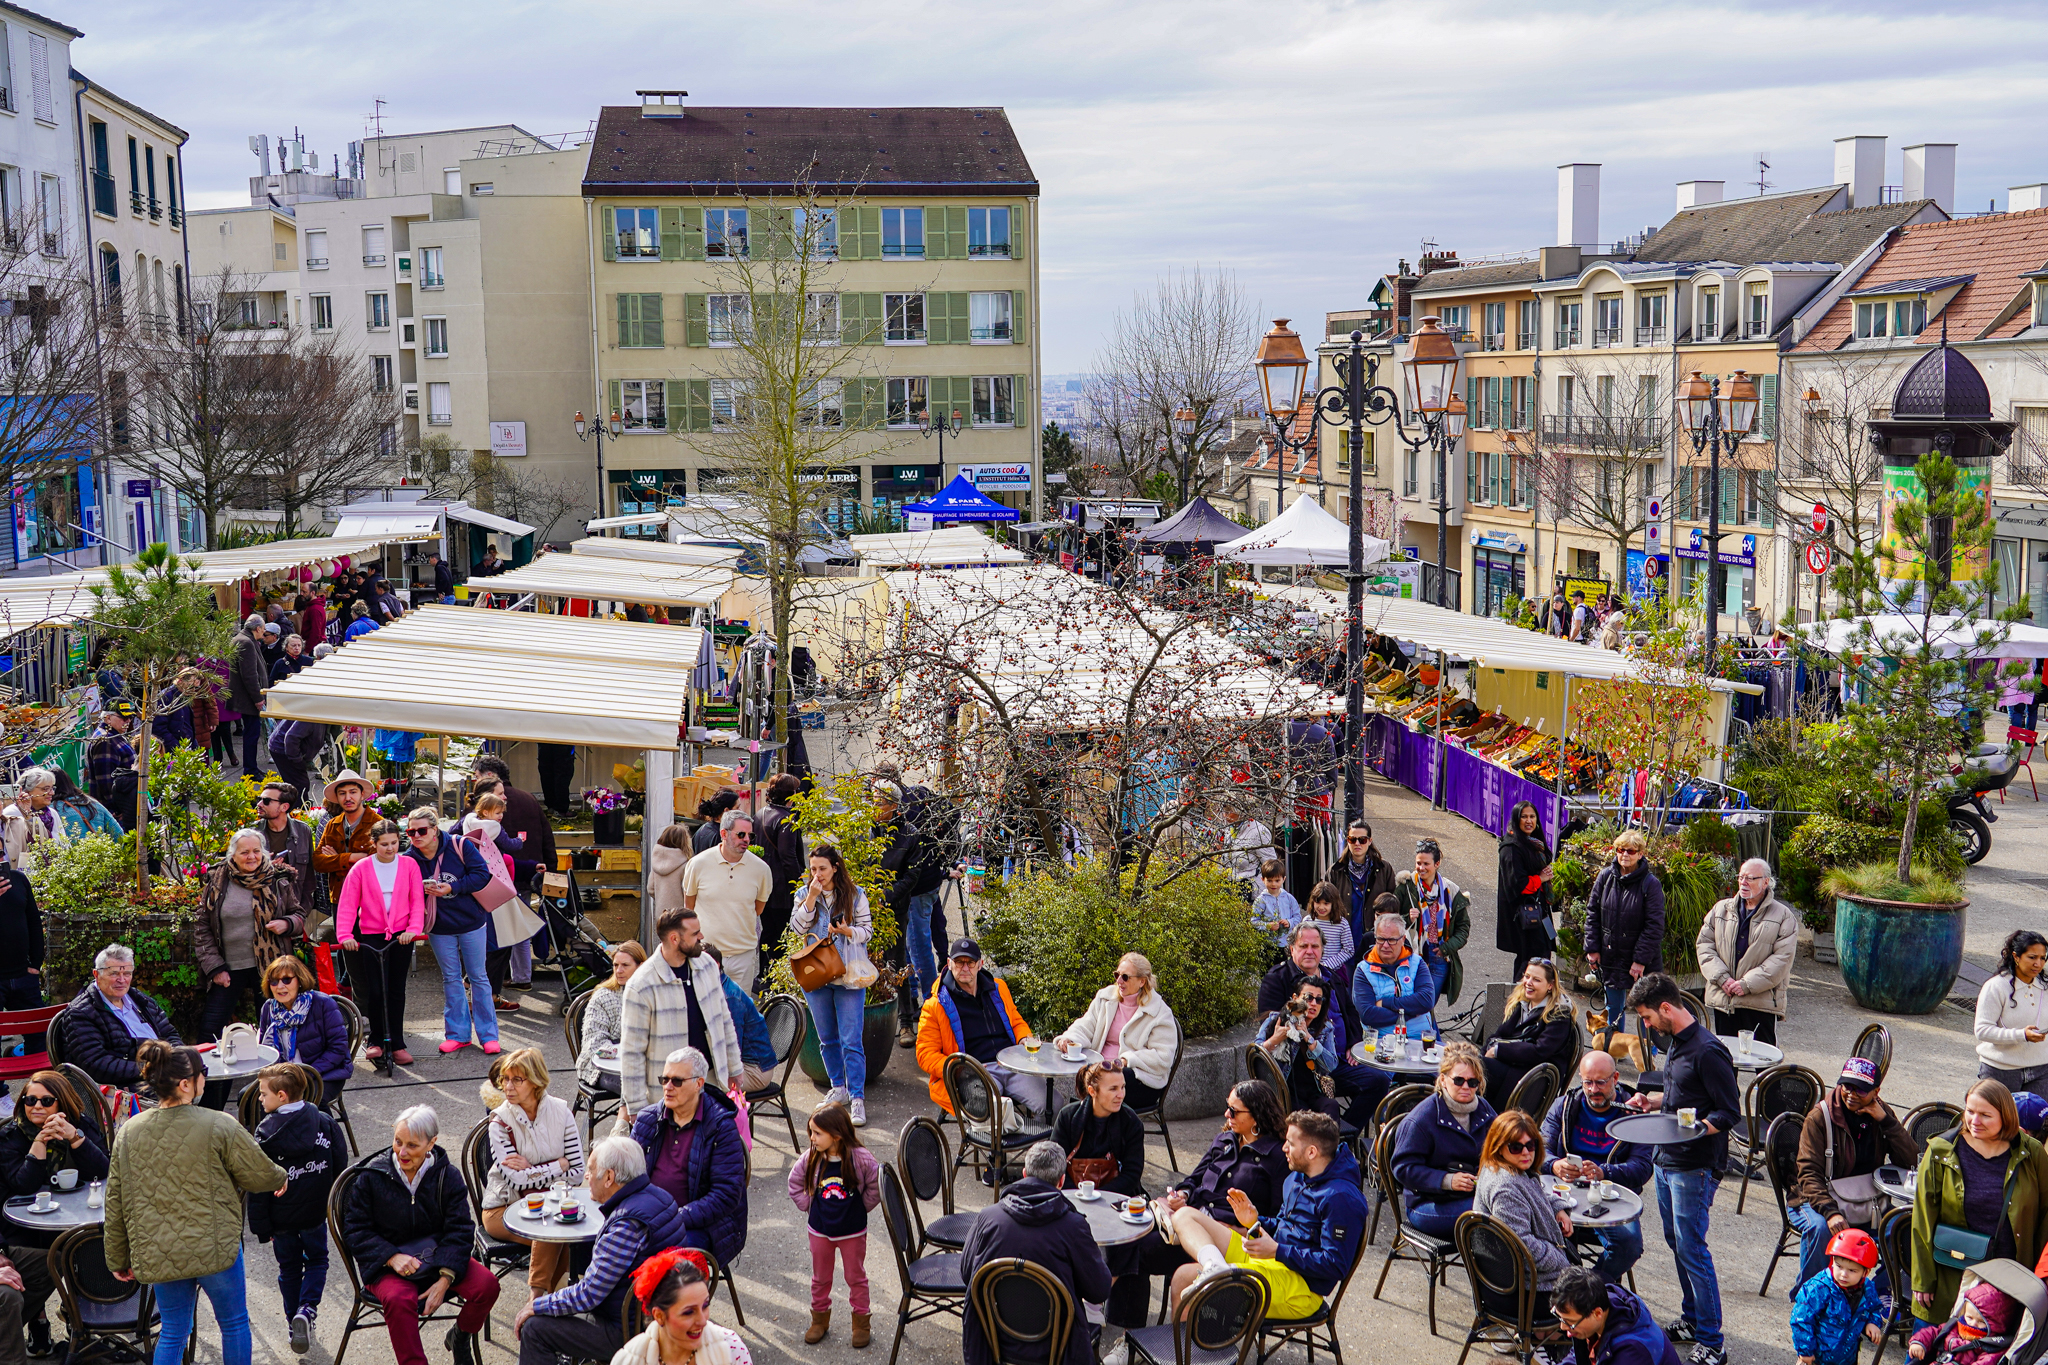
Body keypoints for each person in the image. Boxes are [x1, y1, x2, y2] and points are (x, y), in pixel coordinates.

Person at [104, 1040, 288, 1365]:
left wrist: (118, 1257)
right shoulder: (218, 1124)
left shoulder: (129, 1132)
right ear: (187, 1083)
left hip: (159, 1251)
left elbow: (116, 1200)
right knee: (233, 1323)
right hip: (215, 1248)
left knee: (174, 1329)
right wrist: (280, 1176)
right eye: (203, 1074)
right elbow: (261, 1176)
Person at [1102, 1080, 1289, 1330]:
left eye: (1234, 1111)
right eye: (1227, 1107)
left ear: (1257, 1115)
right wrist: (1183, 1195)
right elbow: (1193, 1178)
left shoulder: (1277, 1158)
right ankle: (1125, 1333)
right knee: (1129, 1240)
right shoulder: (1225, 1139)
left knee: (1137, 1252)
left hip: (1224, 1241)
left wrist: (1242, 1230)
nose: (1226, 1115)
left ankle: (1125, 1329)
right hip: (1186, 1225)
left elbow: (1278, 1219)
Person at [1623, 972, 1741, 1365]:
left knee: (1693, 1249)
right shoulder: (1675, 1042)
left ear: (1667, 1008)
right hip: (1665, 1160)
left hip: (1694, 1166)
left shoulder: (1709, 1052)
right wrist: (1653, 1102)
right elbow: (1682, 1098)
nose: (1646, 1024)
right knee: (1677, 1243)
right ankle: (1692, 1320)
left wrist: (1694, 1131)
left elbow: (1729, 1112)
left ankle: (1712, 1341)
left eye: (1647, 1016)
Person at [1162, 1109, 1367, 1323]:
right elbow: (1283, 1224)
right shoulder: (1298, 1176)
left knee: (1188, 1280)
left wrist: (1278, 1251)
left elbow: (1335, 1265)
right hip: (1271, 1260)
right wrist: (1254, 1221)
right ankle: (1216, 1268)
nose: (1283, 1148)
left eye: (1290, 1143)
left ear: (1312, 1152)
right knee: (1185, 1215)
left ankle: (1195, 1353)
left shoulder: (1342, 1199)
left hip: (1301, 1289)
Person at [341, 1105, 499, 1365]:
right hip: (387, 1266)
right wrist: (391, 1256)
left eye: (412, 1146)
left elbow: (460, 1228)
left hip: (438, 1256)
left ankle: (460, 1336)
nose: (402, 1152)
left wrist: (446, 1277)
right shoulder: (371, 1176)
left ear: (432, 1143)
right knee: (399, 1300)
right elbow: (355, 1229)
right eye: (398, 1142)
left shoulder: (447, 1176)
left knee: (487, 1286)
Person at [512, 1133, 684, 1365]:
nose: (586, 1176)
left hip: (628, 1331)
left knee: (534, 1329)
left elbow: (589, 1295)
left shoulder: (625, 1225)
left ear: (609, 1177)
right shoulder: (662, 1197)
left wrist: (537, 1305)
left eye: (591, 1170)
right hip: (660, 1315)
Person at [960, 1139, 1112, 1365]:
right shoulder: (1074, 1227)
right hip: (1057, 1348)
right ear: (1061, 1181)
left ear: (1023, 1174)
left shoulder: (987, 1217)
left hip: (993, 1339)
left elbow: (966, 1274)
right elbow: (1099, 1290)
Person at [1911, 1079, 2048, 1324]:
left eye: (1985, 1115)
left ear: (2006, 1117)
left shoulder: (2033, 1152)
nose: (1974, 1121)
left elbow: (2045, 1214)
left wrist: (2036, 1279)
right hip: (1950, 1275)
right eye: (1970, 1111)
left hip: (2009, 1281)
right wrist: (1922, 1280)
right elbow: (1922, 1218)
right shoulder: (1941, 1150)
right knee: (1931, 1349)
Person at [1788, 1056, 1917, 1293]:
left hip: (1867, 1202)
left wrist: (1886, 1121)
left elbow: (1909, 1161)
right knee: (1821, 1229)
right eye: (1847, 1086)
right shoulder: (1820, 1117)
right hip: (1814, 1200)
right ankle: (1809, 1297)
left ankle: (1875, 1295)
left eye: (1861, 1090)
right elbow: (1808, 1174)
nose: (1851, 1093)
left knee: (1906, 1227)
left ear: (1876, 1091)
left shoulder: (1881, 1113)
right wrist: (1830, 1212)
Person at [248, 1062, 346, 1354]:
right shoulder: (326, 1123)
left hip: (282, 1218)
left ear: (281, 1095)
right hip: (316, 1213)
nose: (260, 1099)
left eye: (263, 1094)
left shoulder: (265, 1135)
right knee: (317, 1261)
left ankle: (294, 1322)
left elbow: (258, 1183)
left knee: (289, 1269)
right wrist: (333, 1203)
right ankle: (307, 1310)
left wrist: (262, 1228)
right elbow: (341, 1166)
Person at [627, 1046, 749, 1268]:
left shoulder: (721, 1127)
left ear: (698, 1084)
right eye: (664, 1080)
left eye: (677, 1081)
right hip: (648, 1218)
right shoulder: (647, 1120)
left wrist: (672, 1217)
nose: (668, 1087)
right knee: (603, 1250)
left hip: (700, 1226)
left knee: (665, 1267)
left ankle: (659, 1302)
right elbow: (626, 1175)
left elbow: (726, 1195)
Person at [618, 906, 744, 1119]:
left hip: (712, 1081)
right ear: (675, 938)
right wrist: (637, 1108)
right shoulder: (641, 985)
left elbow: (724, 1020)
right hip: (669, 1093)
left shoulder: (707, 966)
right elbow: (632, 1052)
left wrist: (735, 1068)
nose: (701, 937)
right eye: (695, 933)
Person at [480, 1048, 586, 1299]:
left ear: (536, 1081)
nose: (508, 1087)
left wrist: (532, 1169)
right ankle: (541, 1299)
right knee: (554, 1232)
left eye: (517, 1079)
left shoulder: (561, 1112)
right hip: (504, 1208)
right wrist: (557, 1165)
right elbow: (514, 1179)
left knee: (556, 1227)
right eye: (505, 1079)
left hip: (552, 1206)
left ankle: (544, 1305)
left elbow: (578, 1172)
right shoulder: (499, 1121)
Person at [1541, 1052, 1650, 1283]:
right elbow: (1538, 1150)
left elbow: (1642, 1168)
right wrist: (1555, 1164)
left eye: (1601, 1082)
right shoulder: (1565, 1106)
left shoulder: (1633, 1113)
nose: (1593, 1089)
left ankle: (1587, 1288)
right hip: (1565, 1194)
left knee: (1629, 1244)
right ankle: (1565, 1290)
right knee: (1538, 1232)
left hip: (1610, 1197)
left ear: (1616, 1078)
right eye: (1587, 1082)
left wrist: (1604, 1172)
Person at [194, 828, 305, 1044]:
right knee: (210, 1030)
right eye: (244, 852)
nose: (251, 857)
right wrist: (215, 967)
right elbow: (202, 926)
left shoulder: (277, 880)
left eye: (256, 851)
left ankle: (277, 1074)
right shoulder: (218, 881)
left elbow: (299, 915)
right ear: (232, 855)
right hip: (228, 967)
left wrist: (287, 923)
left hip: (270, 968)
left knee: (276, 1028)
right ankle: (211, 1077)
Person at [405, 805, 499, 1055]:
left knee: (478, 977)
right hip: (439, 925)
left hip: (472, 921)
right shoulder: (409, 857)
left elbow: (482, 875)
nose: (415, 836)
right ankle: (458, 1034)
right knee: (451, 979)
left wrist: (452, 887)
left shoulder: (460, 845)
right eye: (410, 832)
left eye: (421, 830)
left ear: (435, 830)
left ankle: (488, 1035)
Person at [789, 1103, 881, 1348]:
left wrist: (861, 1207)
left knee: (855, 1276)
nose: (812, 1138)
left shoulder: (860, 1158)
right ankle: (819, 1320)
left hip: (853, 1231)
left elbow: (876, 1184)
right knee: (820, 1278)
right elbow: (794, 1182)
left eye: (817, 1133)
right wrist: (809, 1206)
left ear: (837, 1135)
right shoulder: (811, 1157)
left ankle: (861, 1323)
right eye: (811, 1132)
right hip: (819, 1230)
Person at [794, 846, 874, 1124]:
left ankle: (857, 1098)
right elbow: (797, 928)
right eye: (813, 869)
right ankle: (837, 1087)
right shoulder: (805, 895)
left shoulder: (855, 895)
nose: (817, 875)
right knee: (827, 1038)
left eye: (823, 869)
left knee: (851, 1039)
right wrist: (811, 900)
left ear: (836, 867)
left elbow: (867, 931)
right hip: (816, 975)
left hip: (849, 975)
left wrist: (847, 931)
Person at [336, 817, 425, 1065]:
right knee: (374, 990)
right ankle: (374, 1040)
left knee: (396, 990)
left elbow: (417, 901)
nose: (390, 849)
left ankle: (397, 1043)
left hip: (402, 936)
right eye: (384, 844)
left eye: (394, 843)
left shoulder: (409, 866)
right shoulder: (361, 869)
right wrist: (346, 935)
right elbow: (347, 905)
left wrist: (413, 929)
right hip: (371, 935)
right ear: (373, 844)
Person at [916, 939, 1040, 1117]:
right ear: (949, 964)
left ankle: (1045, 1145)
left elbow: (1016, 1022)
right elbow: (925, 1054)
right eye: (959, 962)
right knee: (992, 1111)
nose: (965, 968)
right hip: (974, 1073)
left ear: (980, 964)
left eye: (971, 962)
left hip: (1011, 1065)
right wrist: (959, 1067)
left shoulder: (999, 989)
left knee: (1053, 1103)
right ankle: (1002, 1142)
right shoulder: (935, 1005)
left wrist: (1024, 1039)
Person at [1391, 1042, 1497, 1237]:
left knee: (1509, 1209)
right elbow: (1403, 1168)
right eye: (1459, 1080)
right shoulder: (1422, 1119)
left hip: (1474, 1195)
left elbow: (1503, 1145)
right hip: (1428, 1204)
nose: (1466, 1087)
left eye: (1473, 1082)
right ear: (1443, 1079)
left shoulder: (1484, 1109)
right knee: (1494, 1216)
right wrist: (1446, 1180)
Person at [1054, 953, 1177, 1114]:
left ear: (1142, 981)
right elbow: (1087, 1024)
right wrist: (1070, 1038)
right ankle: (1089, 1128)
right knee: (1094, 1079)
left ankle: (1083, 1127)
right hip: (1101, 1071)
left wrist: (1127, 1060)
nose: (1119, 981)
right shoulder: (1106, 997)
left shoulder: (1159, 1012)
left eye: (1125, 977)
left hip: (1141, 1080)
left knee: (1102, 1085)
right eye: (1117, 975)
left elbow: (1163, 1057)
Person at [1473, 1109, 1575, 1301]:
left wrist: (1557, 1208)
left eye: (1531, 1144)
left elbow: (1534, 1194)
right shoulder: (1505, 1189)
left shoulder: (1511, 1169)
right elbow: (1521, 1244)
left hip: (1530, 1277)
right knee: (1600, 1303)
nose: (1526, 1152)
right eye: (1516, 1147)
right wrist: (1561, 1260)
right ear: (1498, 1147)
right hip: (1528, 1289)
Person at [1696, 858, 1797, 1045]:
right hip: (1725, 999)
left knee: (1764, 1062)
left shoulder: (1783, 916)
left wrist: (1746, 984)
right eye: (1740, 877)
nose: (1743, 882)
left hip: (1760, 1002)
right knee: (1725, 1060)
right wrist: (1722, 978)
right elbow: (1704, 946)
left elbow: (1782, 959)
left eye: (1750, 878)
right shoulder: (1721, 909)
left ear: (1766, 882)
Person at [874, 781, 946, 1042]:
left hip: (895, 909)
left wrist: (886, 897)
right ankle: (874, 1017)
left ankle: (907, 1022)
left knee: (899, 961)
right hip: (866, 909)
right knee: (867, 962)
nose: (874, 807)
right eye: (872, 800)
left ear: (894, 806)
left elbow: (911, 876)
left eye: (879, 802)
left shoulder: (909, 834)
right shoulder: (866, 832)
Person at [58, 944, 182, 1093]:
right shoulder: (81, 1012)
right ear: (96, 975)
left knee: (209, 1080)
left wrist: (177, 1058)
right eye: (114, 974)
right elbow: (95, 1063)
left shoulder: (140, 1000)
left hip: (161, 1070)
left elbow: (170, 1034)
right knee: (182, 1090)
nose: (122, 980)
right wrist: (149, 1069)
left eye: (127, 974)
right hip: (122, 1085)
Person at [1585, 831, 1665, 1044]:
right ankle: (1613, 1051)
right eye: (1621, 850)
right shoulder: (1605, 877)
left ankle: (1649, 1054)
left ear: (1640, 854)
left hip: (1642, 959)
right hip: (1612, 955)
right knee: (1613, 1008)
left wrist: (1640, 961)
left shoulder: (1651, 884)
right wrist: (1592, 948)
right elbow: (1593, 913)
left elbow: (1654, 926)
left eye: (1630, 851)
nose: (1625, 855)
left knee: (1647, 1009)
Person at [684, 809, 774, 994]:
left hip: (743, 955)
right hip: (706, 953)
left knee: (738, 1015)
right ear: (723, 834)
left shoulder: (761, 869)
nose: (747, 839)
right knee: (703, 1012)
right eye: (741, 834)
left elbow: (758, 909)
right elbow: (689, 906)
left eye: (750, 835)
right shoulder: (698, 864)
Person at [614, 1246, 753, 1365]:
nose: (703, 1321)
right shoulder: (629, 1361)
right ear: (659, 1316)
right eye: (688, 1312)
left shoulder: (731, 1349)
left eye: (705, 1305)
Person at [461, 788, 528, 1011]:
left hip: (475, 888)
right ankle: (487, 996)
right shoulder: (494, 828)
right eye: (498, 812)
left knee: (484, 941)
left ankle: (476, 987)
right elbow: (511, 845)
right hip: (494, 888)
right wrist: (520, 840)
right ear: (487, 811)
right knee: (499, 942)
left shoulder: (467, 823)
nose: (500, 817)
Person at [258, 956, 353, 1109]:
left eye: (287, 980)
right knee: (249, 1098)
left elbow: (338, 1048)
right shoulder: (268, 1008)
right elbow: (265, 1051)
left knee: (310, 1099)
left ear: (300, 980)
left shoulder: (323, 1003)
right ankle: (268, 1133)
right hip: (283, 1076)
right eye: (274, 981)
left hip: (322, 1073)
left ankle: (321, 1133)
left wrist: (305, 1074)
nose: (280, 986)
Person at [1482, 959, 1578, 1104]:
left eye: (1536, 980)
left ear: (1550, 985)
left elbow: (1539, 1051)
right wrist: (1487, 1049)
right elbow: (1498, 1034)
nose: (1528, 982)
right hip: (1512, 1066)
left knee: (1472, 1069)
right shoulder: (1521, 1003)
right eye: (1527, 976)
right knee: (1462, 1065)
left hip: (1531, 1080)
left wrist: (1498, 1051)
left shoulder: (1559, 1015)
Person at [1255, 974, 1348, 1122]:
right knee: (1301, 1117)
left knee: (1331, 1106)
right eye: (1308, 997)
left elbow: (1331, 1066)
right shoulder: (1275, 1020)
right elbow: (1255, 1055)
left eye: (1319, 1000)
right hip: (1283, 1091)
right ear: (1295, 997)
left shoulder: (1325, 1028)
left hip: (1313, 1091)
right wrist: (1275, 1039)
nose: (1313, 1004)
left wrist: (1309, 1038)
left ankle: (1327, 1145)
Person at [1790, 1227, 1887, 1365]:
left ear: (1865, 1272)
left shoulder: (1867, 1288)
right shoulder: (1818, 1288)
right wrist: (1805, 1351)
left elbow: (1874, 1308)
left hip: (1847, 1357)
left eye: (1852, 1270)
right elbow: (1801, 1319)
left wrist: (1873, 1322)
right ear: (1832, 1261)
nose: (1843, 1274)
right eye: (1839, 1266)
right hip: (1817, 1358)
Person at [1051, 1062, 1147, 1198]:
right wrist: (1078, 1196)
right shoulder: (1068, 1117)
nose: (1121, 1095)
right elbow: (1055, 1166)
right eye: (1113, 1089)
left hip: (1117, 1197)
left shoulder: (1131, 1122)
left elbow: (1132, 1174)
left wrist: (1098, 1196)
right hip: (1073, 1196)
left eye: (1123, 1087)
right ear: (1092, 1091)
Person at [1553, 1266, 1683, 1365]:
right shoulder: (1597, 1307)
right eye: (1560, 1318)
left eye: (1569, 1322)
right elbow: (1577, 1357)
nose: (1563, 1328)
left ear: (1597, 1313)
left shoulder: (1632, 1352)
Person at [1974, 929, 2048, 1099]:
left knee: (2038, 1125)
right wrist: (2022, 1035)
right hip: (2000, 1069)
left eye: (2042, 958)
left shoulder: (2045, 987)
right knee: (2000, 1123)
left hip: (2042, 1069)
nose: (2038, 963)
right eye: (2032, 957)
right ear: (2016, 956)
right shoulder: (1996, 986)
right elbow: (1982, 1030)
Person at [1396, 838, 1470, 1005]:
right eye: (1418, 863)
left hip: (1439, 957)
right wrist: (1408, 918)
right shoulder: (1406, 887)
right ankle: (1428, 1032)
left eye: (1426, 864)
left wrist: (1446, 949)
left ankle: (1427, 1031)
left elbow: (1463, 928)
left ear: (1437, 864)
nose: (1421, 868)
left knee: (1426, 1005)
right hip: (1412, 955)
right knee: (1415, 1005)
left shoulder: (1451, 890)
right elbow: (1389, 922)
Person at [1354, 910, 1439, 1046]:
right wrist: (1411, 1013)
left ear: (1403, 939)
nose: (1385, 945)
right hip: (1382, 1042)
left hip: (1419, 1039)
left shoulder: (1417, 963)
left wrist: (1386, 1003)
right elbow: (1368, 1014)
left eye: (1392, 940)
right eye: (1381, 939)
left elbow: (1426, 1000)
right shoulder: (1363, 970)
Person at [577, 940, 647, 1102]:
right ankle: (631, 1126)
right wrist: (622, 1049)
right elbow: (594, 1045)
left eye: (625, 965)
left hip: (641, 1066)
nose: (619, 971)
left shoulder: (651, 994)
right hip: (599, 1068)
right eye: (616, 965)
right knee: (638, 1089)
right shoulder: (604, 997)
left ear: (641, 966)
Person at [1498, 800, 1555, 978]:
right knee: (1529, 961)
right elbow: (1517, 884)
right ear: (1516, 819)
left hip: (1541, 911)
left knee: (1543, 956)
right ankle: (1521, 1001)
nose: (1528, 821)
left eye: (1532, 816)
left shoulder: (1534, 843)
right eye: (1524, 817)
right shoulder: (1511, 848)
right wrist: (1541, 878)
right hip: (1525, 916)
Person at [754, 773, 806, 955]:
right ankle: (776, 978)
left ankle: (764, 974)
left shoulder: (760, 814)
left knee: (768, 931)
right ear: (791, 796)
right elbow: (788, 857)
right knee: (783, 934)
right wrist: (800, 883)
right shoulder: (786, 820)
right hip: (783, 889)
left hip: (763, 884)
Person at [1911, 1282, 2024, 1365]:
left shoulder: (1993, 1347)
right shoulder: (1955, 1327)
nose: (1973, 1323)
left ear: (1995, 1324)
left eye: (1981, 1322)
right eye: (1969, 1317)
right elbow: (1933, 1332)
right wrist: (1919, 1342)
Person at [312, 770, 379, 904]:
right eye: (342, 793)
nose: (348, 798)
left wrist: (335, 862)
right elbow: (318, 862)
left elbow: (377, 866)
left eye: (353, 792)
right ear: (336, 798)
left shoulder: (378, 824)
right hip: (339, 898)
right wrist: (351, 858)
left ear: (362, 795)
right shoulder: (332, 824)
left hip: (368, 900)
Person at [253, 782, 320, 914]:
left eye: (266, 801)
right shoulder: (251, 832)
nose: (259, 804)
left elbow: (309, 876)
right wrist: (264, 868)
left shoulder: (302, 831)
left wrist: (302, 911)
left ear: (284, 807)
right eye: (259, 799)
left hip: (294, 909)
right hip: (260, 909)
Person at [1334, 821, 1396, 949]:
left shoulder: (1384, 869)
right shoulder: (1336, 871)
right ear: (1347, 841)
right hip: (1344, 944)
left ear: (1369, 841)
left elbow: (1394, 904)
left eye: (1362, 840)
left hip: (1377, 943)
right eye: (1353, 839)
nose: (1357, 843)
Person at [0, 861, 41, 1044]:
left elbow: (33, 921)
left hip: (23, 974)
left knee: (39, 1033)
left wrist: (36, 963)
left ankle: (38, 1073)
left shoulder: (18, 879)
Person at [85, 699, 139, 829]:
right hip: (115, 811)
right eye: (123, 717)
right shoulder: (105, 741)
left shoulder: (113, 735)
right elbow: (106, 780)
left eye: (130, 717)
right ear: (108, 718)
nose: (128, 721)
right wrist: (117, 809)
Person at [228, 613, 269, 775]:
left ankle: (252, 768)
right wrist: (258, 699)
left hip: (247, 697)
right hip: (249, 699)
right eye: (263, 629)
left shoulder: (244, 639)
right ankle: (250, 770)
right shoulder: (246, 642)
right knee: (252, 734)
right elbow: (249, 675)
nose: (264, 632)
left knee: (252, 733)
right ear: (257, 628)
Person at [1, 768, 64, 872]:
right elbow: (14, 850)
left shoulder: (52, 814)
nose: (52, 793)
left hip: (53, 874)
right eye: (45, 789)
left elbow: (62, 843)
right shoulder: (11, 813)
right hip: (25, 874)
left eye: (52, 788)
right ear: (27, 791)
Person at [48, 767, 122, 842]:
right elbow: (118, 834)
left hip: (71, 853)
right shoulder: (92, 802)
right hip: (99, 851)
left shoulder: (52, 809)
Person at [1299, 878, 1355, 977]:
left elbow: (1349, 949)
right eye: (1318, 903)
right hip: (1311, 971)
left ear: (1334, 904)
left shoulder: (1342, 923)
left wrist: (1327, 965)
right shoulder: (1308, 921)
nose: (1321, 907)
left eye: (1326, 903)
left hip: (1334, 972)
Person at [1254, 862, 1303, 943]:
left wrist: (1289, 922)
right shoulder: (1260, 900)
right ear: (1263, 880)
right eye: (1269, 880)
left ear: (1283, 879)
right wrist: (1267, 926)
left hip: (1287, 943)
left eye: (1277, 880)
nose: (1273, 884)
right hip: (1268, 944)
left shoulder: (1289, 898)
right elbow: (1254, 921)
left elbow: (1298, 917)